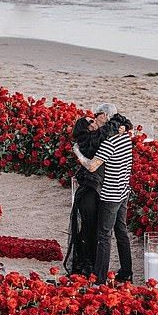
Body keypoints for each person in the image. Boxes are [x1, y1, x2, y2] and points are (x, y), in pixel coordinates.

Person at [63, 104, 132, 276]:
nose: (94, 118)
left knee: (104, 236)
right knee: (121, 232)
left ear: (105, 117)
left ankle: (100, 278)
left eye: (96, 115)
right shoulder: (124, 136)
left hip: (110, 194)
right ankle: (127, 272)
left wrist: (77, 153)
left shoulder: (108, 142)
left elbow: (92, 166)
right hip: (124, 190)